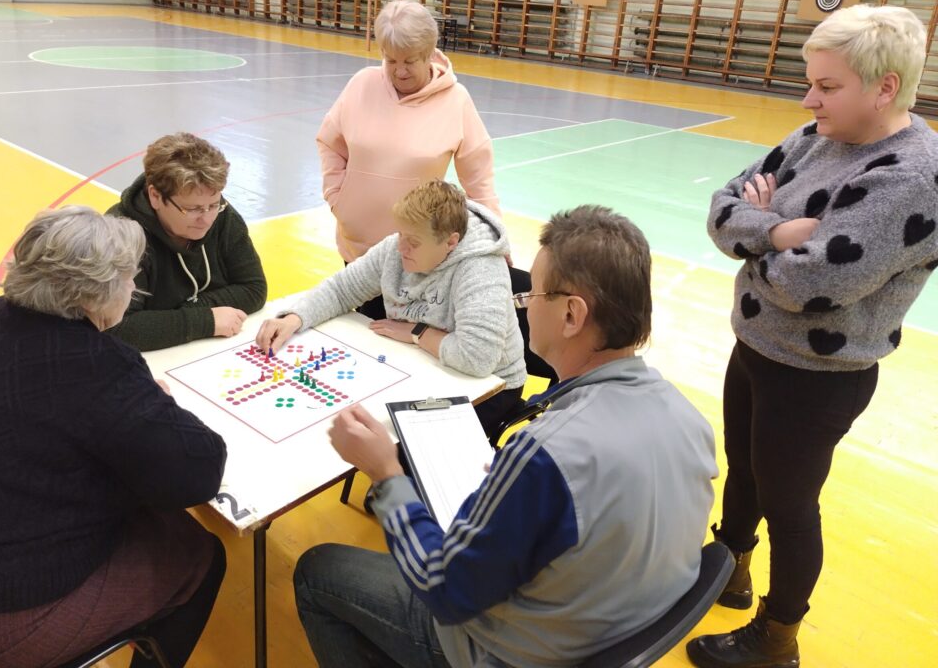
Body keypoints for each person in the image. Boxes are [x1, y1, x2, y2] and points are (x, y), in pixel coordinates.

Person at [292, 205, 718, 668]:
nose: (524, 305)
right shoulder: (689, 418)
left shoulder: (545, 454)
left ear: (572, 315)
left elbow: (445, 590)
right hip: (609, 629)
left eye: (533, 294)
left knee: (318, 572)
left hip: (509, 652)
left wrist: (386, 473)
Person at [688, 4, 938, 668]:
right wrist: (777, 232)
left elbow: (814, 285)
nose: (808, 98)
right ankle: (729, 572)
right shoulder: (815, 135)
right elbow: (721, 208)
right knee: (742, 473)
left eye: (827, 86)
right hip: (759, 347)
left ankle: (778, 637)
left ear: (884, 87)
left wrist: (766, 232)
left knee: (790, 504)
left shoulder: (911, 178)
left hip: (818, 378)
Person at [0, 206, 228, 668]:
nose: (134, 289)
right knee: (199, 555)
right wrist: (157, 405)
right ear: (96, 294)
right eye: (128, 280)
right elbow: (200, 471)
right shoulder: (94, 363)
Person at [256, 179, 525, 438]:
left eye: (414, 242)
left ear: (451, 242)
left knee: (397, 441)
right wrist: (294, 318)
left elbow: (477, 358)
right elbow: (341, 289)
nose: (401, 248)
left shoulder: (480, 267)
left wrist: (417, 332)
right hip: (423, 365)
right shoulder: (398, 247)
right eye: (400, 234)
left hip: (491, 387)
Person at [318, 0, 502, 319]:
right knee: (362, 331)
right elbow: (330, 144)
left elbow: (479, 181)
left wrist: (497, 243)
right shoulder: (361, 85)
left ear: (431, 53)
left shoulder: (456, 101)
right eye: (391, 61)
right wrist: (338, 199)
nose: (399, 71)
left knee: (400, 343)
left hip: (416, 257)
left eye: (410, 61)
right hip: (357, 248)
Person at [107, 131, 267, 351]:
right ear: (155, 196)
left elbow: (254, 288)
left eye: (213, 204)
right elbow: (116, 328)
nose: (207, 218)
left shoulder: (223, 214)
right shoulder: (119, 236)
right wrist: (204, 321)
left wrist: (186, 312)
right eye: (192, 209)